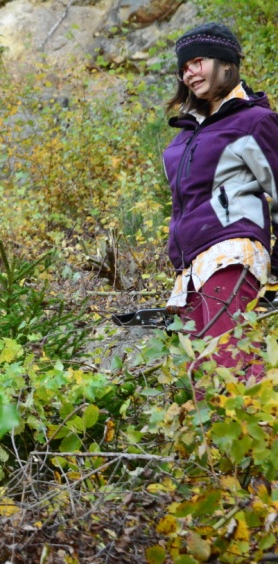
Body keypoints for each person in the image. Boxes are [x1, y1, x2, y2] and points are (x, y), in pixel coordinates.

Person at [162, 22, 278, 380]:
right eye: (183, 68)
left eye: (197, 62)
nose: (188, 73)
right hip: (191, 270)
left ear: (226, 62)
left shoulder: (253, 122)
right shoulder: (185, 134)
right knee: (203, 381)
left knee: (229, 371)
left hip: (231, 255)